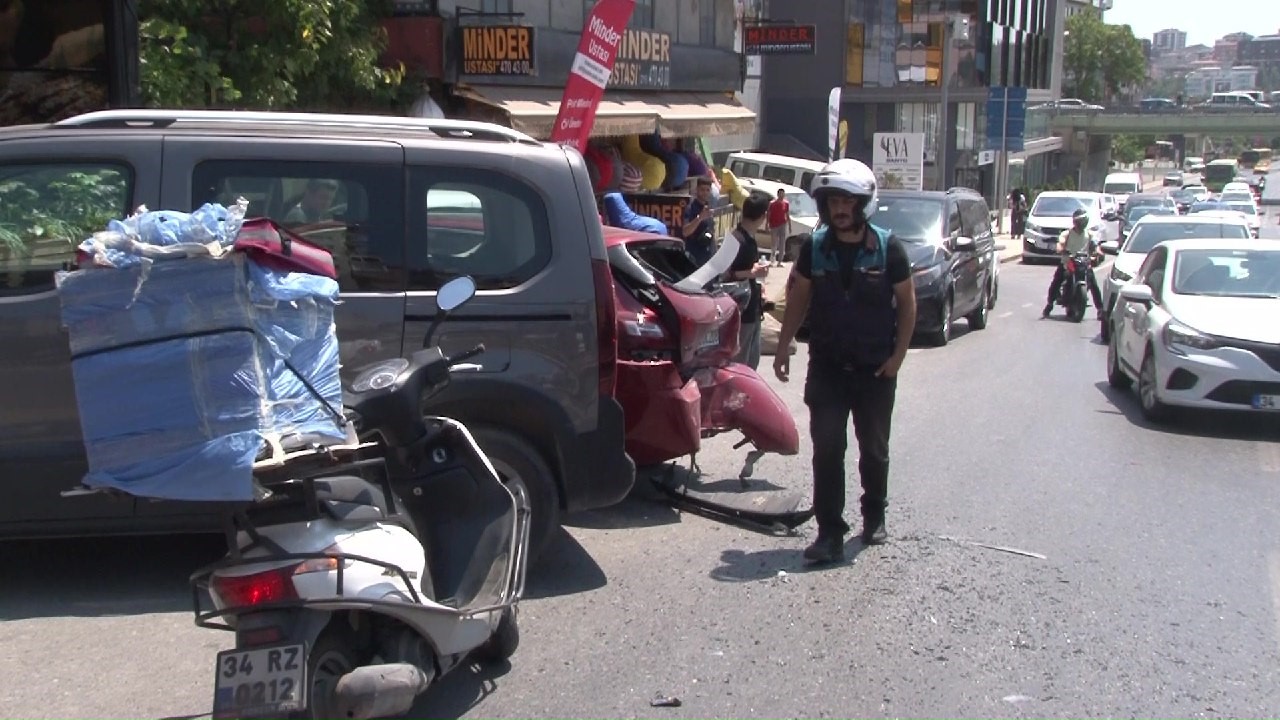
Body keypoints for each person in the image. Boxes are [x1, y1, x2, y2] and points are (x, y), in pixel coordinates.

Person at [772, 158, 917, 563]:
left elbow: (907, 306)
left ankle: (875, 515)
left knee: (874, 449)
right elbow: (799, 297)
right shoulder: (815, 249)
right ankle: (829, 532)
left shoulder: (890, 249)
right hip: (828, 369)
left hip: (875, 371)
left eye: (846, 202)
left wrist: (898, 357)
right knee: (828, 449)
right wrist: (784, 345)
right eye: (832, 201)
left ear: (864, 204)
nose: (839, 209)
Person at [725, 193, 771, 369]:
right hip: (741, 311)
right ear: (761, 216)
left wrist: (758, 281)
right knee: (740, 364)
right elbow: (724, 274)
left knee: (752, 362)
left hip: (753, 307)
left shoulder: (750, 239)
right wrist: (750, 273)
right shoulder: (736, 239)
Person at [1042, 208, 1104, 319]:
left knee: (1093, 284)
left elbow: (1095, 246)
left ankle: (1100, 309)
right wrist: (1061, 249)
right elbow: (1060, 244)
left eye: (1083, 221)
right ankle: (1050, 304)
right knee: (1057, 281)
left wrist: (1098, 252)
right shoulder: (1067, 234)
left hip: (1083, 263)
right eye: (1079, 221)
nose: (1081, 224)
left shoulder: (1089, 234)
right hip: (1068, 263)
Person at [681, 177, 717, 266]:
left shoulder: (708, 208)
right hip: (695, 258)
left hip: (708, 257)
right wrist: (699, 218)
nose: (705, 193)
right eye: (702, 190)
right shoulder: (690, 208)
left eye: (707, 190)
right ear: (697, 190)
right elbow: (685, 232)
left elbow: (711, 232)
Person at [767, 188, 792, 266]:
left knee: (782, 243)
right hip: (773, 225)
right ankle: (772, 259)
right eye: (780, 194)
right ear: (777, 194)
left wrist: (790, 225)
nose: (781, 195)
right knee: (774, 243)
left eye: (783, 194)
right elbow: (768, 214)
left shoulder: (786, 203)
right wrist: (767, 224)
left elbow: (787, 215)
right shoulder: (772, 203)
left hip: (782, 224)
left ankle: (780, 261)